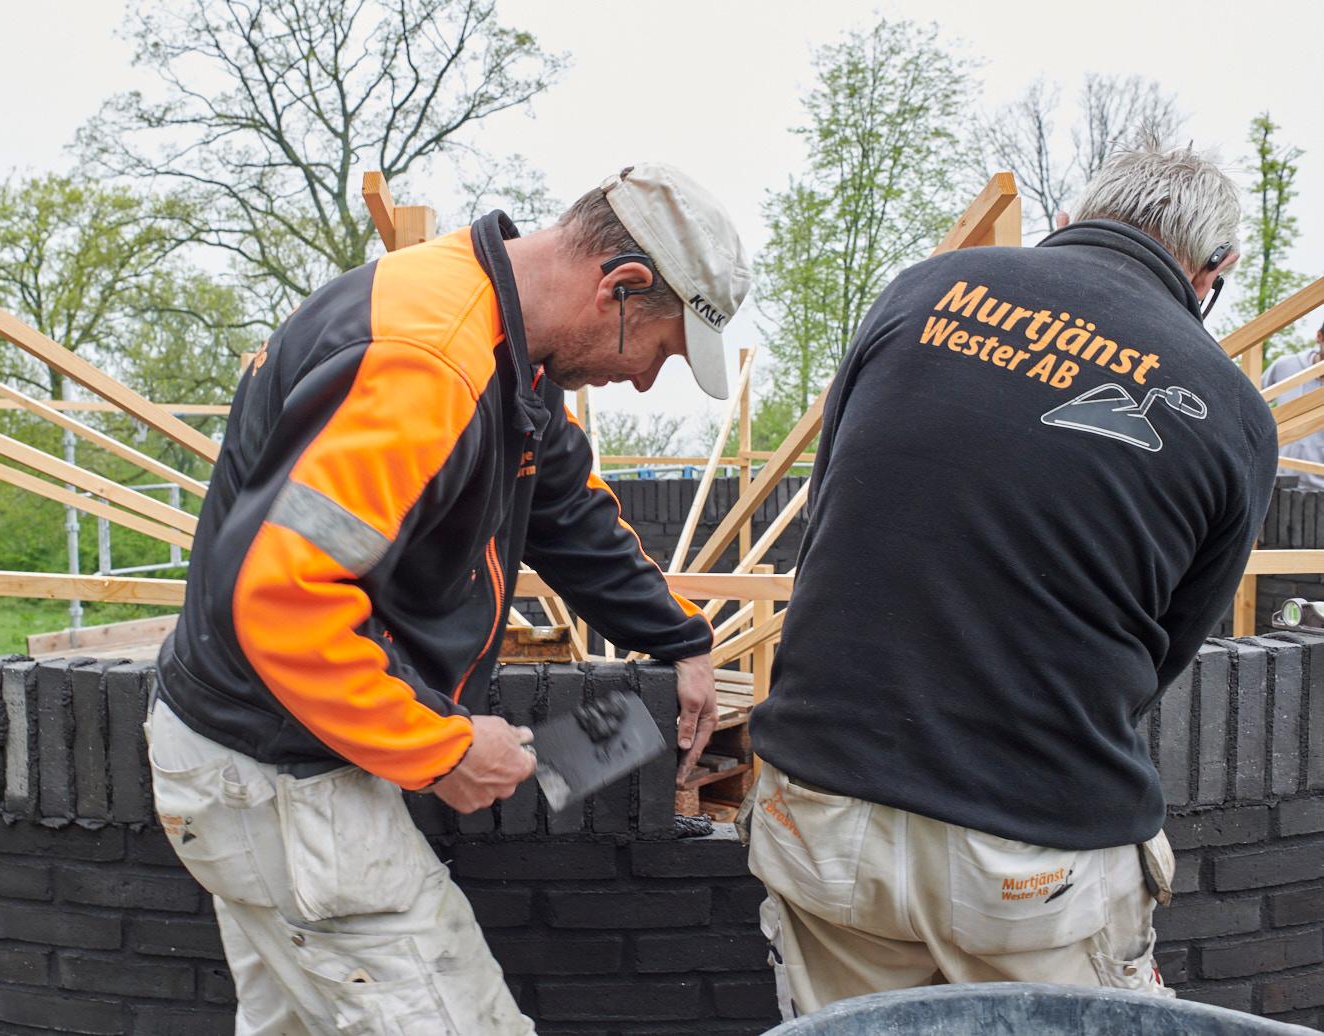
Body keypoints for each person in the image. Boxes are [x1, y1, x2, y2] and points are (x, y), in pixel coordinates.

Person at [146, 163, 750, 1035]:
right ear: (620, 286)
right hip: (276, 778)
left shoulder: (509, 349)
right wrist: (440, 749)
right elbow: (283, 595)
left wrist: (679, 639)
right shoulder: (426, 361)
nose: (649, 381)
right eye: (657, 349)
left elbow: (564, 507)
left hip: (265, 761)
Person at [744, 144, 1274, 1017]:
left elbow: (835, 504)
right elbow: (1169, 644)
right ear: (1215, 271)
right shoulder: (1231, 409)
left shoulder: (924, 292)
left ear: (1069, 220)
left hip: (824, 811)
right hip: (1034, 850)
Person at [1262, 321, 1324, 489]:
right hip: (1279, 482)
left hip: (1320, 489)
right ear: (1319, 336)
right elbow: (1252, 402)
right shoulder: (1286, 366)